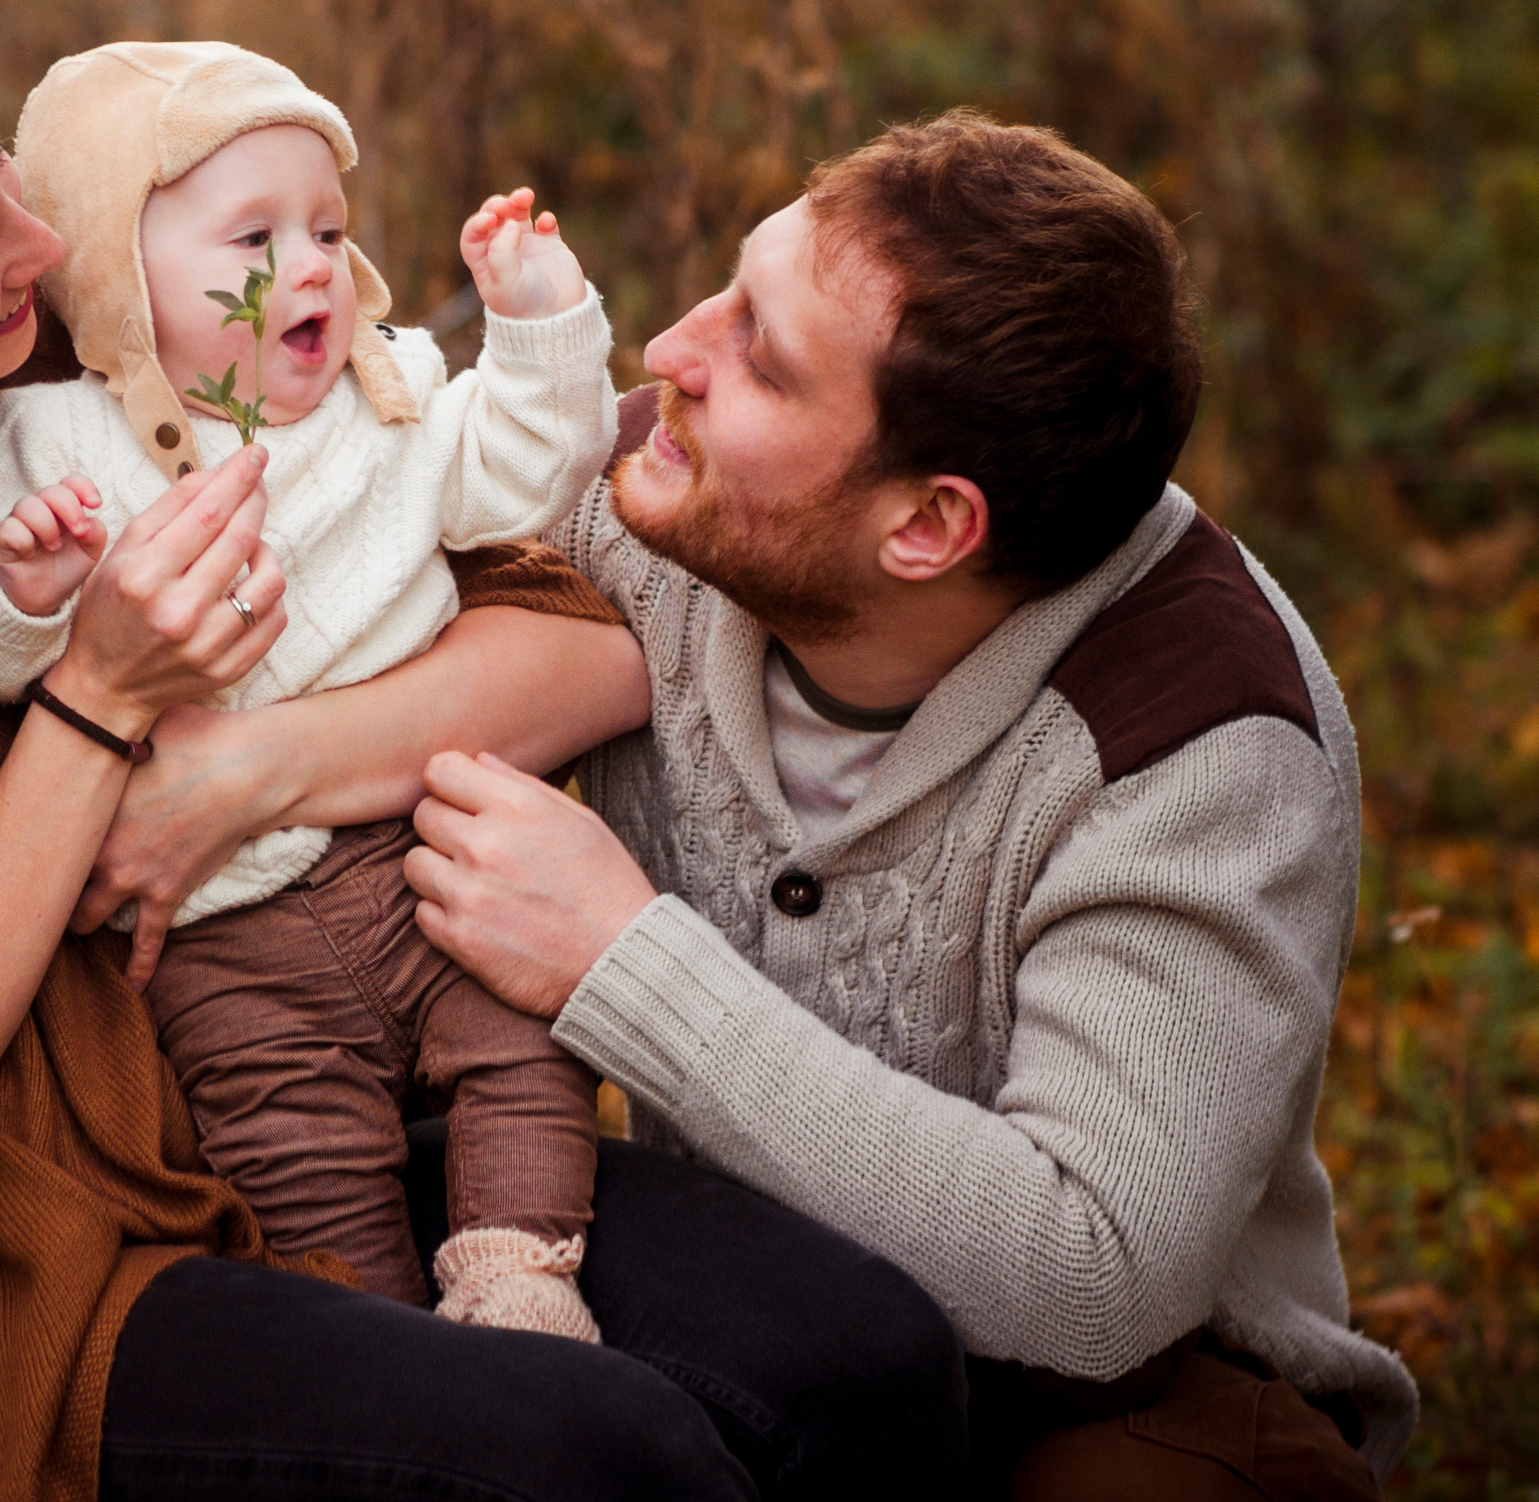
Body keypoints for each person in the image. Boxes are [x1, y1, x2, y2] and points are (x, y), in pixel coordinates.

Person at [0, 0, 967, 1502]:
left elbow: (576, 651)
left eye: (10, 179)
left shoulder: (64, 343)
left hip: (280, 1074)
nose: (50, 247)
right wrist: (100, 704)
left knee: (865, 1366)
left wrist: (242, 775)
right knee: (599, 1457)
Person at [399, 108, 1418, 1498]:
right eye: (732, 288)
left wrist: (618, 959)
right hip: (753, 1315)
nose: (668, 355)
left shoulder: (1201, 739)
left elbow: (1095, 1280)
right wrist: (227, 777)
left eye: (758, 355)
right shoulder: (653, 508)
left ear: (929, 528)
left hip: (1129, 1402)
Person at [0, 40, 615, 1334]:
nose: (307, 266)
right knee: (292, 1152)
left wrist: (539, 327)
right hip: (225, 933)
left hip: (417, 855)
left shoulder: (391, 393)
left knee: (530, 1026)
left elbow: (529, 472)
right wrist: (20, 593)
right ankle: (388, 1352)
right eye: (253, 240)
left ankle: (519, 1272)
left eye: (328, 228)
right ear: (119, 275)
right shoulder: (51, 444)